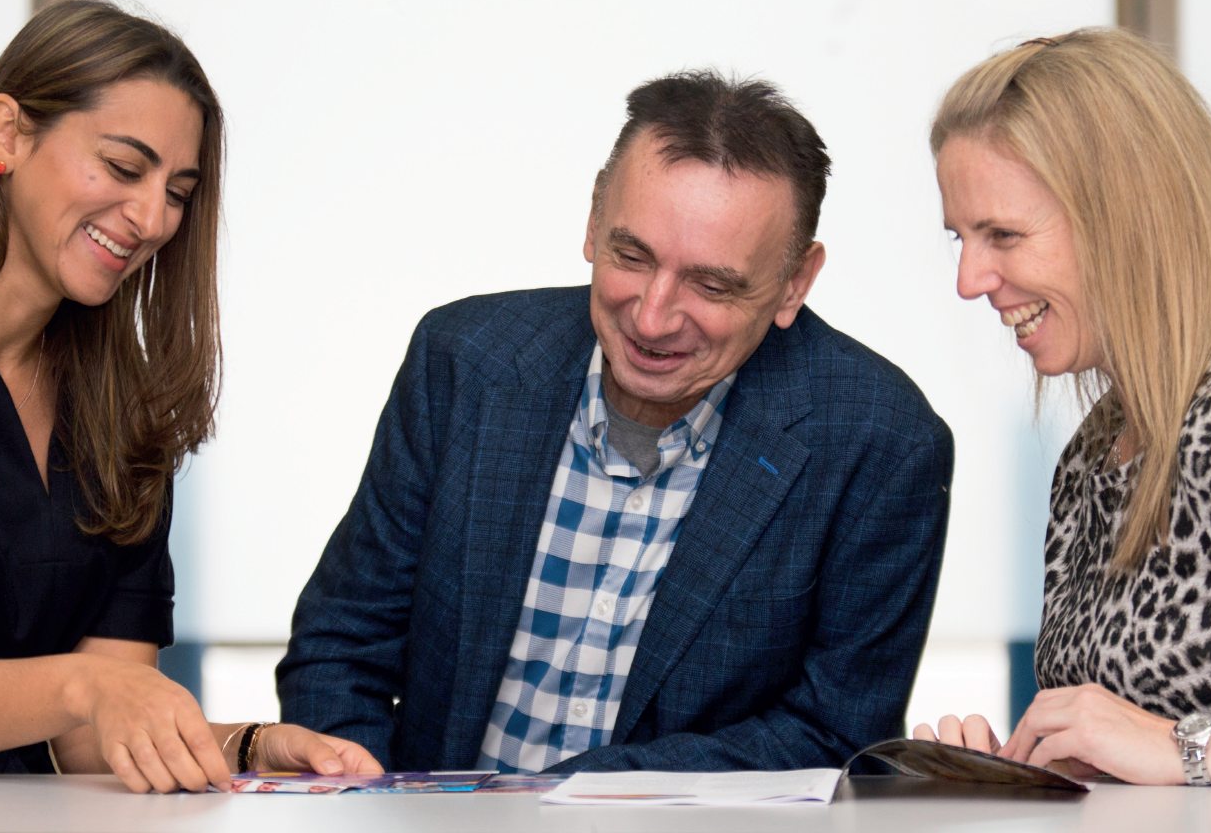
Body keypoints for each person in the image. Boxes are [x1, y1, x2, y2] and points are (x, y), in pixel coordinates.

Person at [277, 70, 955, 773]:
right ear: (594, 217)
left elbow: (833, 734)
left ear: (794, 283)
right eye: (631, 256)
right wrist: (369, 802)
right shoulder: (463, 361)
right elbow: (341, 648)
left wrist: (567, 805)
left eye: (711, 284)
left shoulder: (882, 444)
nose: (652, 317)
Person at [0, 0, 379, 792]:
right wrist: (85, 688)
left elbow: (87, 740)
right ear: (7, 134)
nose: (153, 217)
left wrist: (251, 745)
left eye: (179, 190)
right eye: (124, 167)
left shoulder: (118, 414)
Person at [916, 28, 1211, 787]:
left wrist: (1182, 747)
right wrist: (1030, 766)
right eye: (962, 239)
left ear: (1132, 220)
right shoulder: (1093, 453)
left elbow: (1164, 744)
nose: (969, 279)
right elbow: (1131, 743)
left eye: (1002, 234)